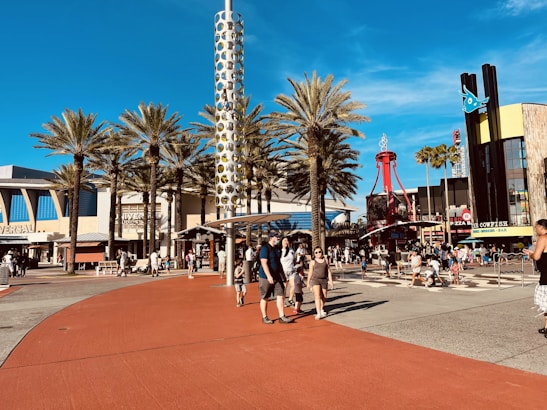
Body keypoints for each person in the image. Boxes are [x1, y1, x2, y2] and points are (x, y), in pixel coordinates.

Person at [258, 231, 292, 324]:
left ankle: (282, 316)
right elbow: (264, 263)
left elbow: (278, 263)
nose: (278, 238)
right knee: (265, 297)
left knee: (280, 295)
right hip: (265, 277)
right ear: (271, 237)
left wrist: (283, 275)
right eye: (276, 237)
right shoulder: (265, 248)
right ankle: (265, 317)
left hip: (277, 276)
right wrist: (269, 276)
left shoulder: (277, 249)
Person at [522, 219, 547, 338]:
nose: (535, 229)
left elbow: (536, 256)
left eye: (536, 227)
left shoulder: (543, 238)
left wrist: (530, 254)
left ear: (542, 227)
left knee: (545, 302)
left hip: (546, 274)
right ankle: (546, 327)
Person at [306, 246, 334, 320]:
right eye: (316, 252)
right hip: (315, 280)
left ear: (322, 252)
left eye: (319, 252)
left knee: (324, 296)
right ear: (314, 254)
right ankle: (318, 313)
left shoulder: (325, 260)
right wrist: (308, 282)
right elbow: (310, 272)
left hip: (324, 280)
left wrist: (331, 281)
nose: (318, 253)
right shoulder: (312, 262)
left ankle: (321, 309)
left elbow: (328, 271)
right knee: (317, 296)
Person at [280, 237, 295, 305]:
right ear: (282, 242)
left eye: (287, 241)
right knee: (284, 288)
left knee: (294, 286)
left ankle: (290, 299)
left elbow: (294, 259)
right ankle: (283, 301)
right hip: (284, 271)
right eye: (285, 240)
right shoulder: (280, 251)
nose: (286, 242)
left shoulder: (291, 250)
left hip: (291, 270)